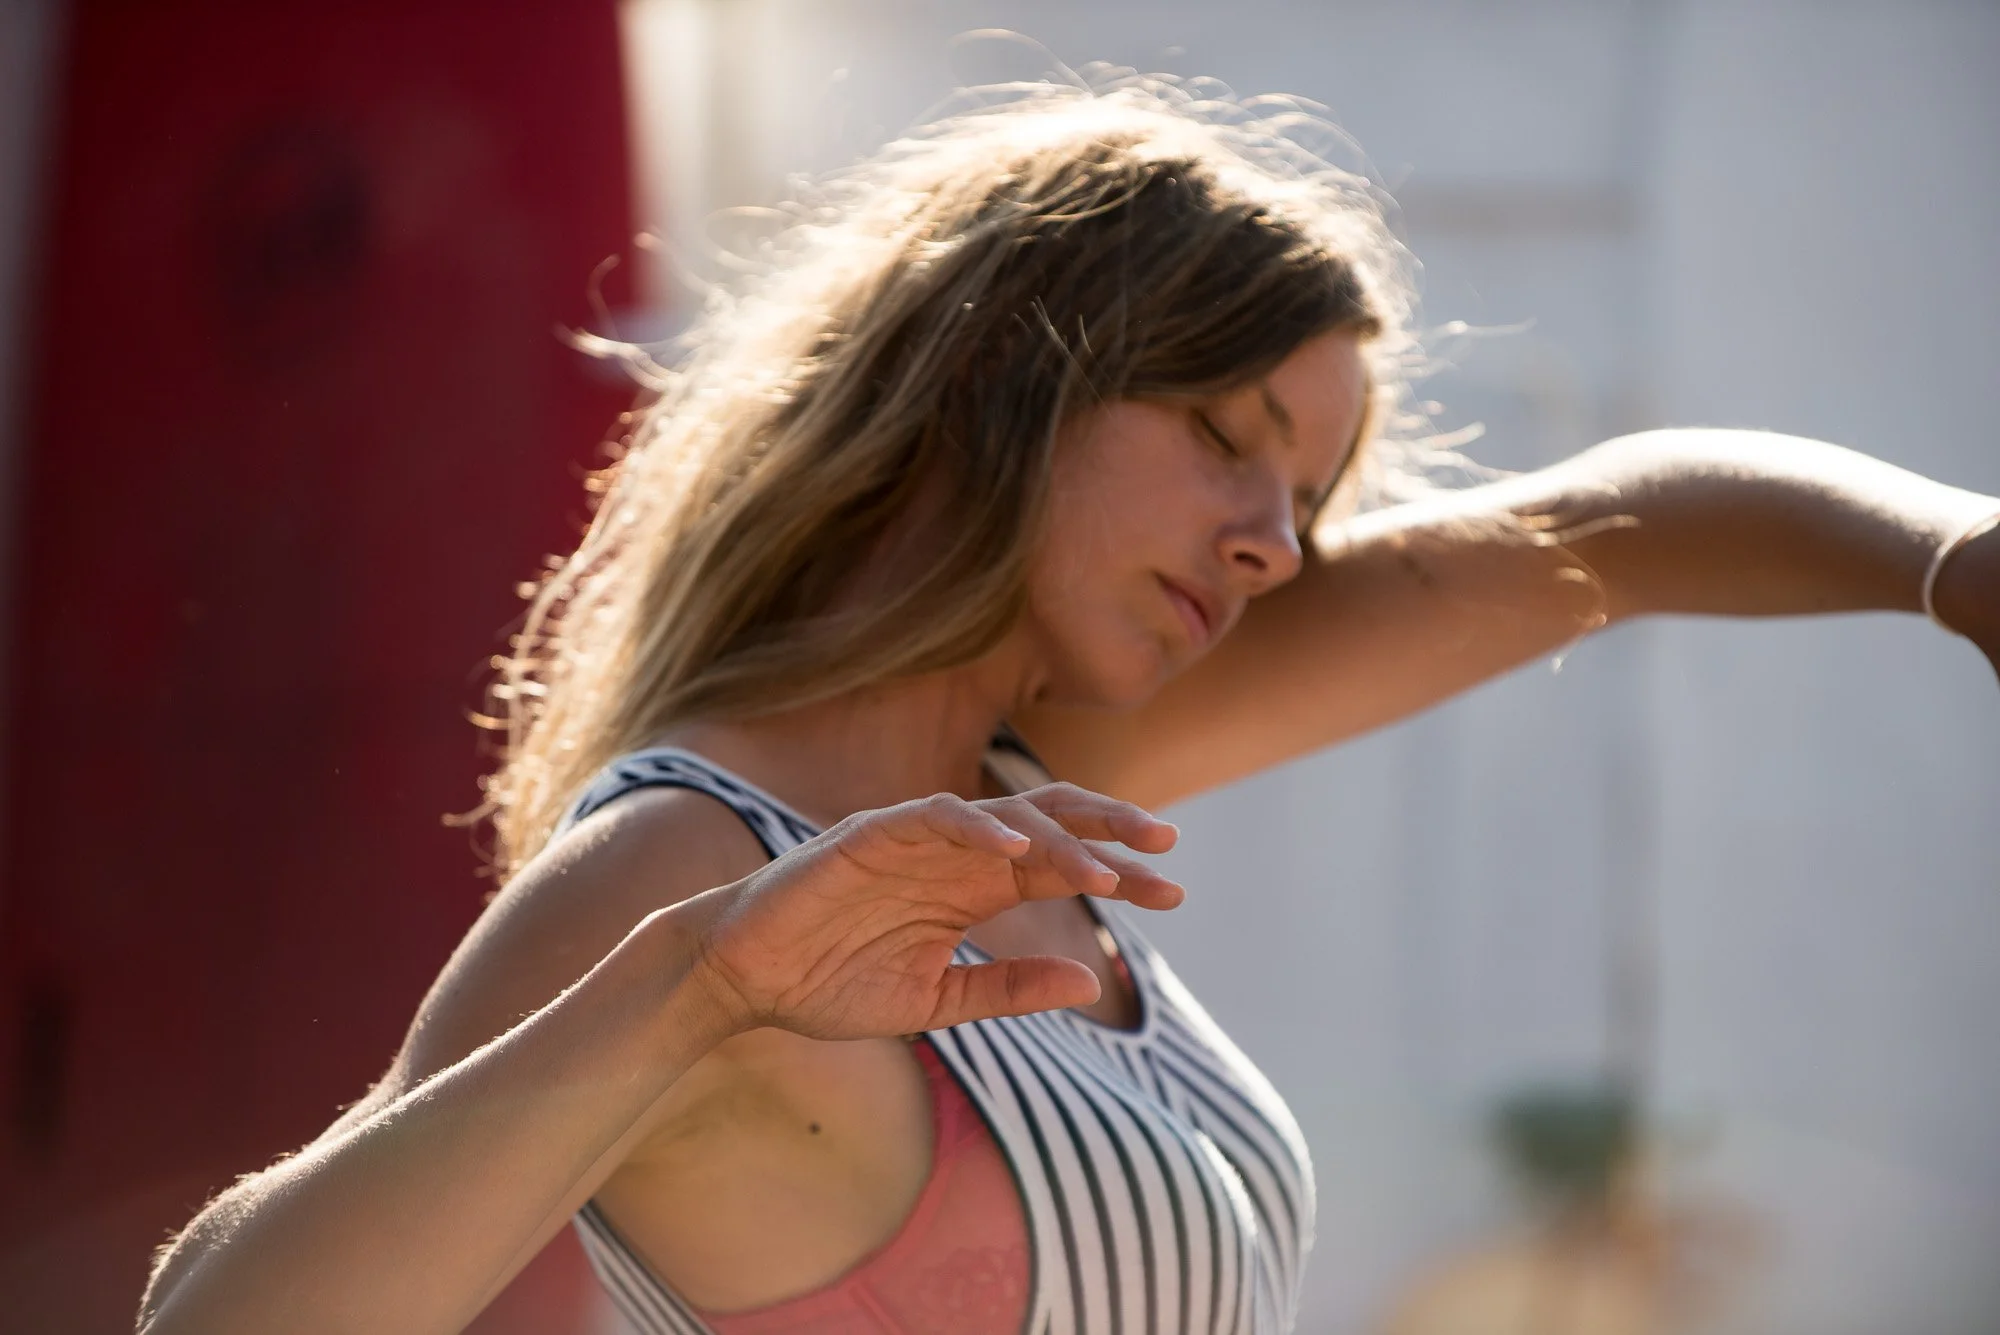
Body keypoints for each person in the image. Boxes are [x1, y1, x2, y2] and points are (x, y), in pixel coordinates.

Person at [136, 78, 1999, 1335]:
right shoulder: (682, 862)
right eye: (1222, 439)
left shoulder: (1038, 765)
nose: (1275, 544)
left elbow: (1614, 528)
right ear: (1000, 369)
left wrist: (1958, 558)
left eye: (1310, 495)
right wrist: (700, 986)